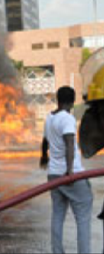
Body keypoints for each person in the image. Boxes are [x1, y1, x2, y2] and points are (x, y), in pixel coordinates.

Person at [40, 86, 92, 254]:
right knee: (83, 216)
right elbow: (69, 142)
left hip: (53, 175)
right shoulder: (67, 118)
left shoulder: (49, 118)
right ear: (72, 101)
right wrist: (70, 171)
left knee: (58, 215)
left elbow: (45, 141)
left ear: (58, 99)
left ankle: (57, 251)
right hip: (70, 175)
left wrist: (44, 157)